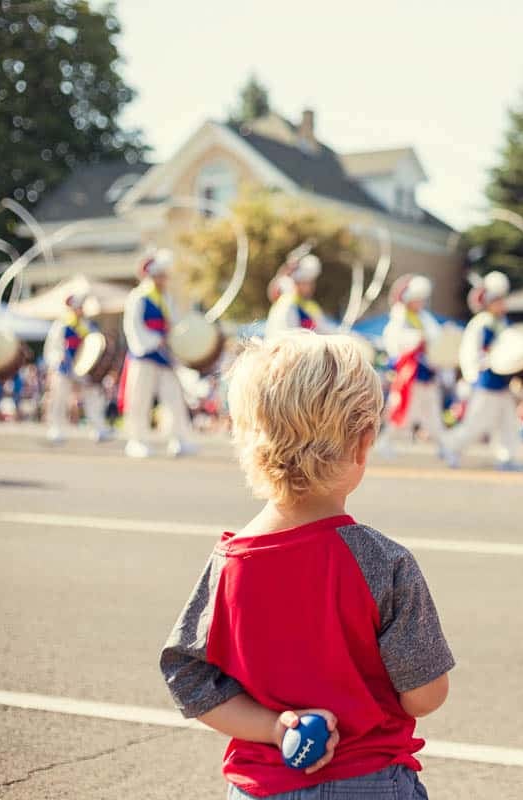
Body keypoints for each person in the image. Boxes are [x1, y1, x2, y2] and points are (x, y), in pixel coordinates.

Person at [159, 331, 454, 799]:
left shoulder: (230, 564)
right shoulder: (384, 561)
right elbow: (425, 694)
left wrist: (276, 726)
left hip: (263, 786)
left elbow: (188, 678)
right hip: (370, 781)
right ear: (363, 444)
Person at [440, 271, 523, 470]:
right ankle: (451, 448)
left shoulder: (504, 323)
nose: (502, 304)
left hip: (503, 381)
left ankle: (506, 458)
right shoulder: (481, 324)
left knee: (508, 422)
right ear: (489, 303)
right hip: (487, 381)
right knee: (476, 423)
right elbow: (472, 353)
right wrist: (489, 360)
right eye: (498, 301)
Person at [121, 249, 196, 459]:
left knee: (174, 399)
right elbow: (133, 327)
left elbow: (170, 325)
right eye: (161, 275)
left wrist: (174, 339)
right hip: (144, 355)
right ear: (152, 276)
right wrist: (154, 341)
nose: (165, 279)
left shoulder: (166, 298)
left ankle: (179, 438)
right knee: (139, 399)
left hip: (164, 356)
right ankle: (136, 440)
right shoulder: (138, 297)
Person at [377, 274, 444, 454]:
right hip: (408, 375)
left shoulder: (424, 318)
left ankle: (445, 447)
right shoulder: (399, 318)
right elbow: (395, 345)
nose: (420, 303)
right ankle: (385, 443)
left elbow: (437, 341)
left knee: (433, 416)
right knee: (402, 411)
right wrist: (417, 340)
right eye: (416, 300)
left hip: (426, 374)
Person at [44, 293, 113, 444]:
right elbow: (52, 349)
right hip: (64, 370)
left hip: (83, 371)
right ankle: (56, 429)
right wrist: (58, 361)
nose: (79, 310)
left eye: (81, 307)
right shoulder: (61, 325)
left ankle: (99, 428)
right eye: (77, 307)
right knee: (59, 399)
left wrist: (90, 366)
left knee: (93, 397)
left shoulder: (88, 326)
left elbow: (93, 347)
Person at [265, 253, 336, 339]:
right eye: (306, 282)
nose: (311, 286)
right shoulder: (287, 304)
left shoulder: (310, 306)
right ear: (296, 282)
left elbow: (324, 330)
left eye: (311, 282)